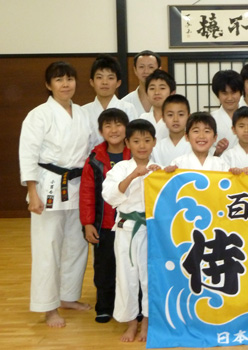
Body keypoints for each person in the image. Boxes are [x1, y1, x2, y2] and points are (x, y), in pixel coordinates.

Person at [19, 61, 92, 327]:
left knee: (76, 245)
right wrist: (32, 191)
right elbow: (27, 153)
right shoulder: (38, 114)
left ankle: (67, 296)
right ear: (48, 85)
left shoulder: (83, 114)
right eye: (59, 80)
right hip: (47, 185)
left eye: (70, 79)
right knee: (47, 247)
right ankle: (47, 306)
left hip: (77, 185)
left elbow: (92, 148)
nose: (65, 84)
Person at [102, 119, 160, 342]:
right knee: (126, 277)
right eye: (136, 141)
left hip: (152, 231)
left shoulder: (159, 169)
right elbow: (110, 196)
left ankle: (147, 322)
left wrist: (164, 175)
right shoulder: (121, 168)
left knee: (149, 278)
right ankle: (130, 323)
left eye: (147, 140)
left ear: (154, 142)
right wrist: (134, 174)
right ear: (127, 143)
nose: (142, 145)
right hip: (126, 229)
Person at [79, 108, 131, 324]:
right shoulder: (94, 159)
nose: (114, 129)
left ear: (126, 128)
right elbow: (87, 193)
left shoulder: (136, 153)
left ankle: (131, 307)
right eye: (108, 125)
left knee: (129, 266)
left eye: (118, 124)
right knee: (104, 267)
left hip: (130, 224)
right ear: (100, 131)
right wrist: (88, 223)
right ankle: (104, 306)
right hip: (104, 225)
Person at [83, 54, 137, 147]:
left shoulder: (128, 108)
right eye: (99, 77)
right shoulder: (83, 111)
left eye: (110, 78)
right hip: (91, 160)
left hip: (123, 160)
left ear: (118, 83)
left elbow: (134, 139)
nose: (105, 82)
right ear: (92, 82)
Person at [151, 94, 192, 165]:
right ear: (163, 118)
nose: (175, 119)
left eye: (181, 114)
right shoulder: (157, 148)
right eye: (170, 115)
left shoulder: (194, 145)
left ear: (189, 117)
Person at [211, 70, 243, 156]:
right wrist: (217, 151)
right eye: (224, 93)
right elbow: (204, 147)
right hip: (220, 167)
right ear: (217, 95)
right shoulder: (211, 119)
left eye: (233, 93)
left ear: (241, 93)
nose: (229, 98)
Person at [139, 69, 176, 142]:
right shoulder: (143, 118)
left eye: (162, 88)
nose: (156, 92)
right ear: (147, 94)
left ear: (172, 93)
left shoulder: (178, 119)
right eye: (152, 88)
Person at [122, 50, 161, 115]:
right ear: (135, 70)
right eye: (141, 67)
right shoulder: (125, 102)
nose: (146, 71)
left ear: (159, 70)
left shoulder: (167, 101)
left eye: (151, 67)